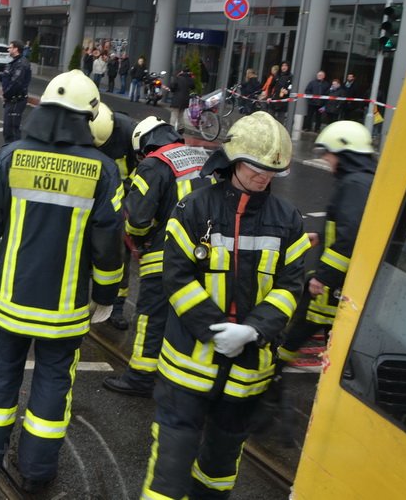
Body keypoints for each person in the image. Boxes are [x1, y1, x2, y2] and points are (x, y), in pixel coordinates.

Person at [0, 70, 123, 493]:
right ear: (88, 118)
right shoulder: (104, 171)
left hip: (9, 302)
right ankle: (37, 473)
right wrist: (105, 296)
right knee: (53, 387)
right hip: (64, 312)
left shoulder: (10, 157)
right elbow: (108, 246)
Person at [139, 111, 309, 500]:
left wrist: (252, 330)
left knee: (219, 473)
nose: (263, 177)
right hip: (188, 369)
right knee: (169, 473)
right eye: (255, 166)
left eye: (272, 170)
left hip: (246, 375)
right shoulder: (194, 209)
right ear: (233, 160)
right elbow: (176, 278)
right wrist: (216, 330)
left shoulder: (288, 222)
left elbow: (290, 286)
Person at [102, 116, 213, 396]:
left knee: (152, 314)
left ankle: (140, 376)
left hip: (167, 253)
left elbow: (137, 221)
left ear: (144, 146)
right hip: (207, 253)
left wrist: (141, 236)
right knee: (191, 312)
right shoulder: (201, 155)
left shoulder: (153, 164)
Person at [278, 121, 376, 365]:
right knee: (334, 338)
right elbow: (353, 225)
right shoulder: (363, 179)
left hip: (334, 286)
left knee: (303, 326)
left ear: (345, 154)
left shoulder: (354, 184)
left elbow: (350, 237)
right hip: (343, 281)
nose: (327, 160)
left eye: (329, 154)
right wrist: (321, 237)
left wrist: (323, 277)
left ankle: (274, 374)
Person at [90, 102, 139, 331]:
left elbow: (144, 171)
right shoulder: (88, 130)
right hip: (92, 199)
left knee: (120, 255)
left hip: (123, 201)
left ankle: (116, 306)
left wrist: (128, 196)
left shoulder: (130, 134)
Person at [0, 40, 31, 144]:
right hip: (12, 100)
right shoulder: (14, 63)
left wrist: (6, 95)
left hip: (16, 101)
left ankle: (14, 153)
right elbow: (9, 78)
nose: (8, 49)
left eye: (10, 47)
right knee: (8, 130)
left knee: (12, 130)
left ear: (16, 49)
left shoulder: (21, 64)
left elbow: (16, 83)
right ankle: (10, 152)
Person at [168, 68, 195, 133]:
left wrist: (172, 90)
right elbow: (193, 87)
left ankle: (171, 130)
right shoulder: (190, 79)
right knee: (180, 115)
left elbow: (172, 86)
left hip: (177, 99)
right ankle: (181, 129)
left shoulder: (178, 78)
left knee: (174, 114)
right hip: (185, 100)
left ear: (182, 71)